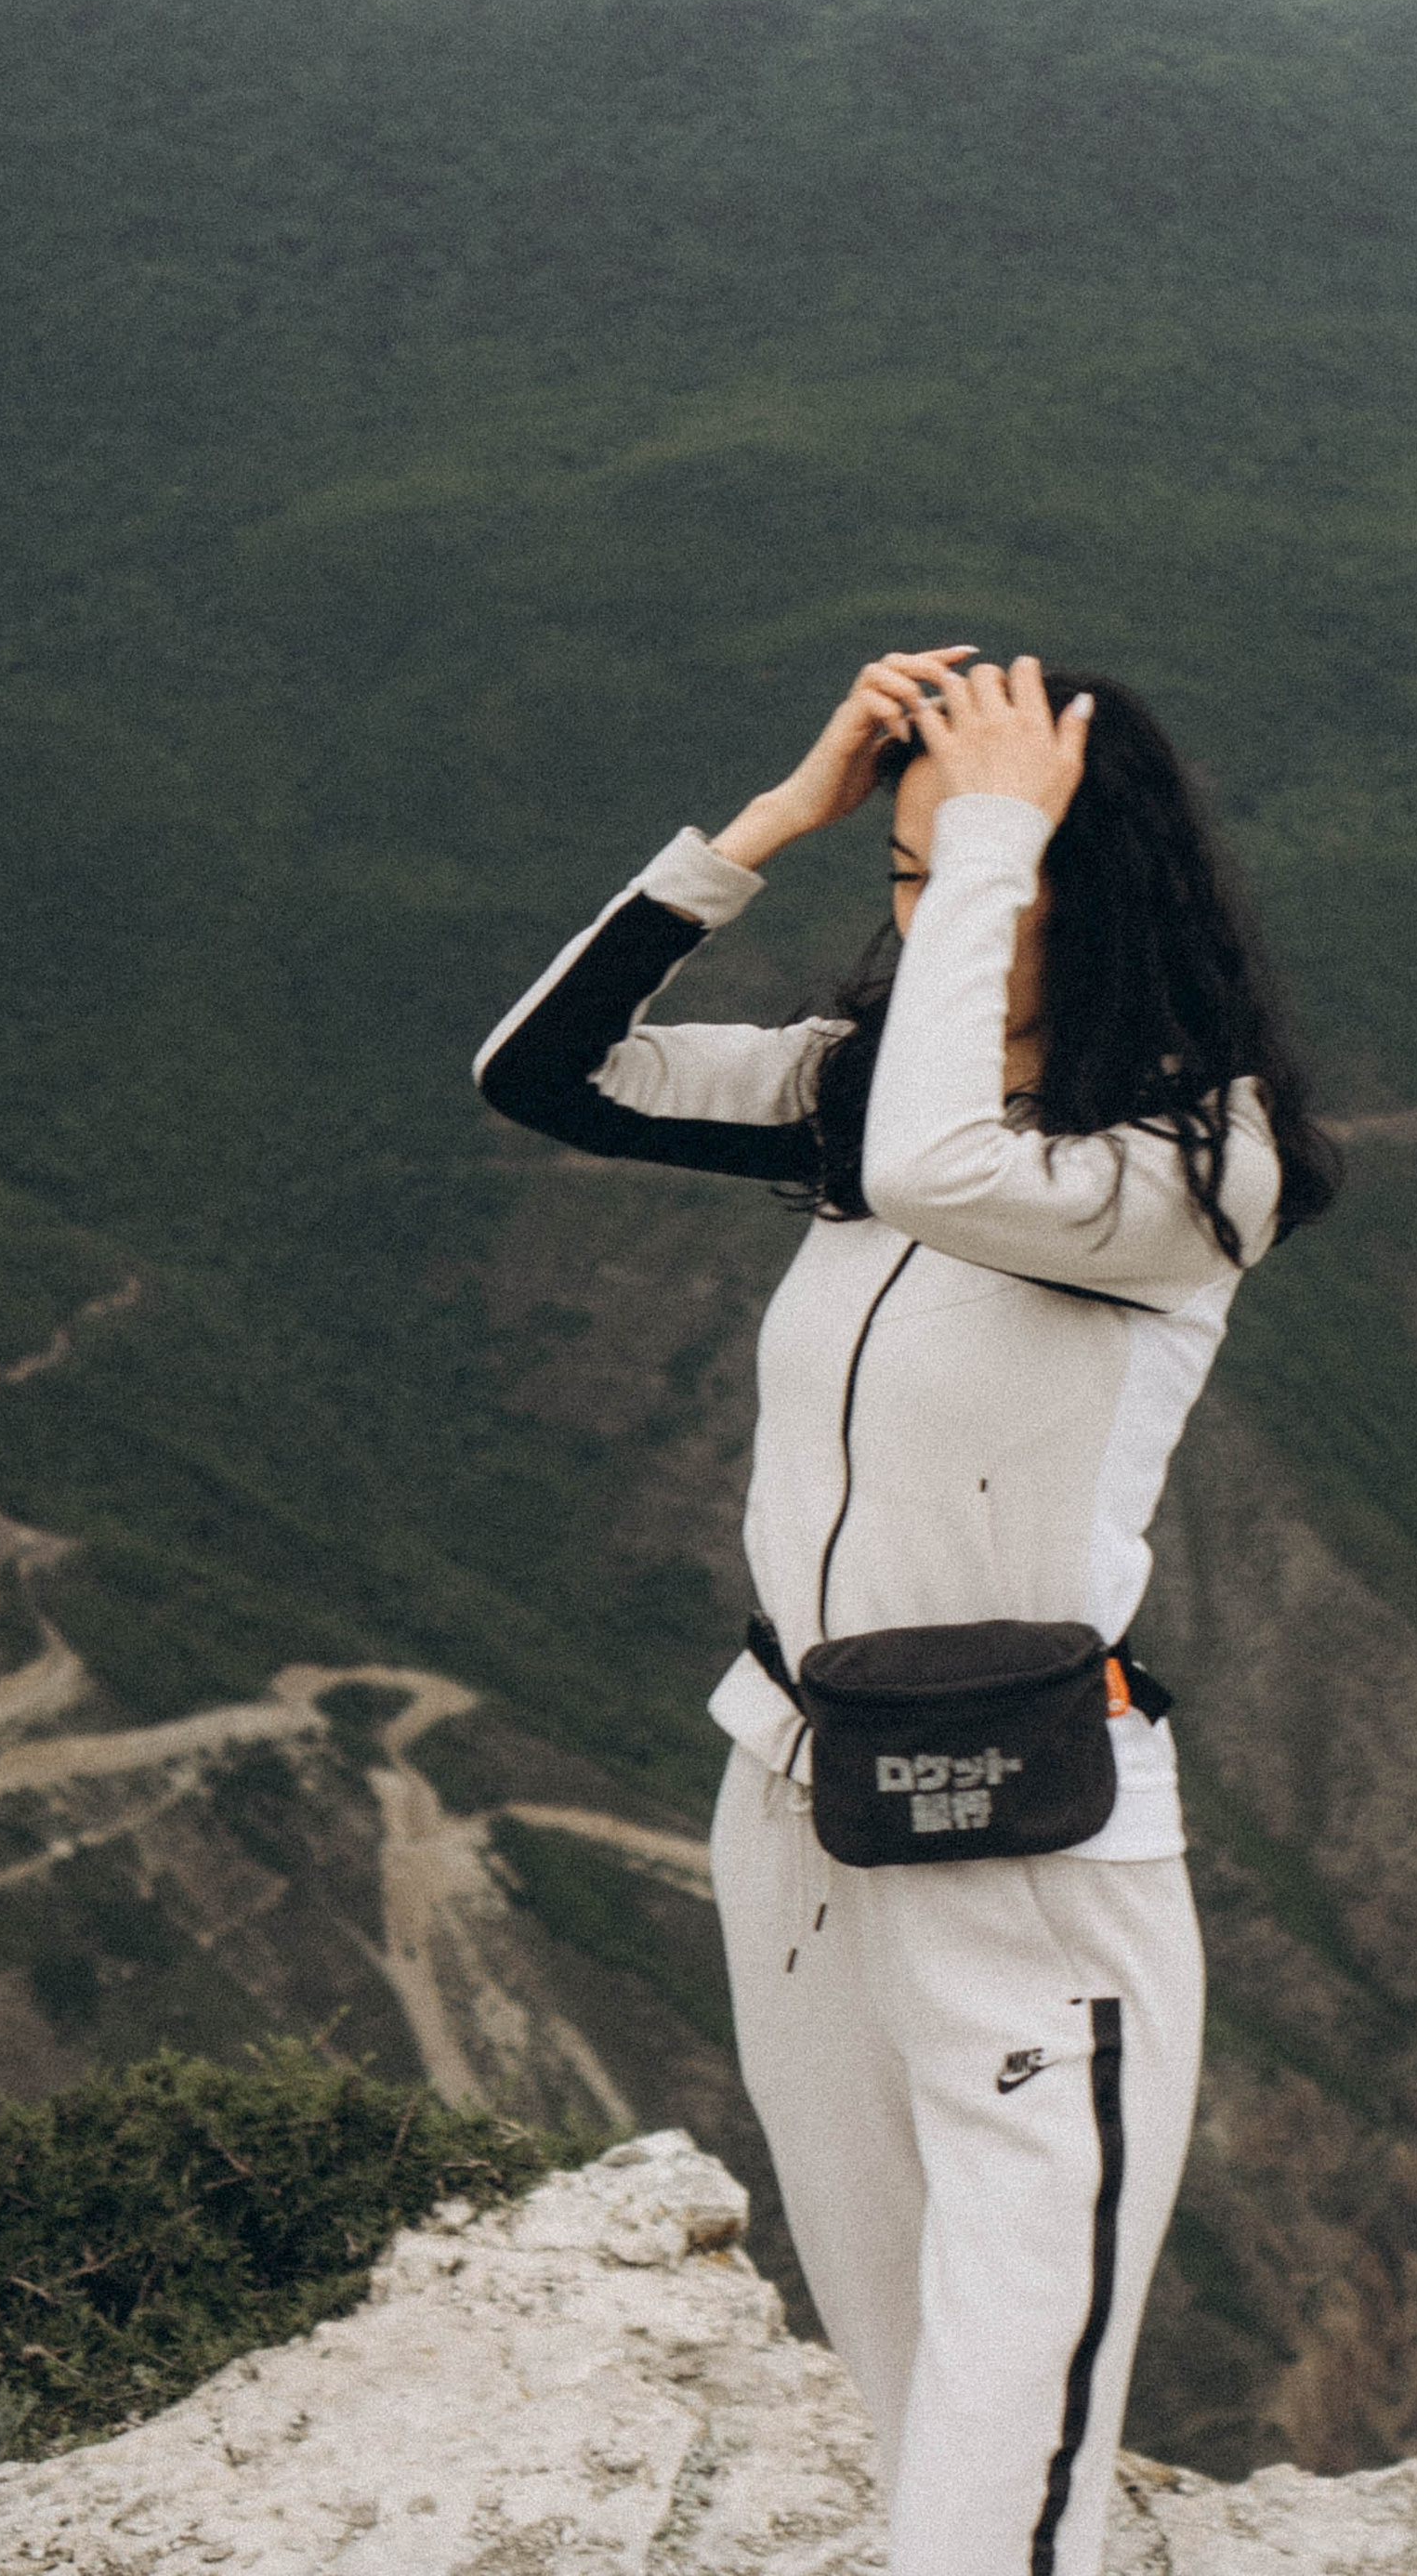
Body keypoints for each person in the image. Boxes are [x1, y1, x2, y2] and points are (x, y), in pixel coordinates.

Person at [473, 648, 1338, 2576]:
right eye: (911, 887)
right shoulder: (856, 1106)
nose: (943, 924)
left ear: (1084, 896)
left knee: (1007, 2399)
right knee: (892, 2342)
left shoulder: (1190, 1166)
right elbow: (544, 1075)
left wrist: (984, 850)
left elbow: (937, 1170)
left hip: (1027, 1832)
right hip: (791, 1800)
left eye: (996, 888)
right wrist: (776, 825)